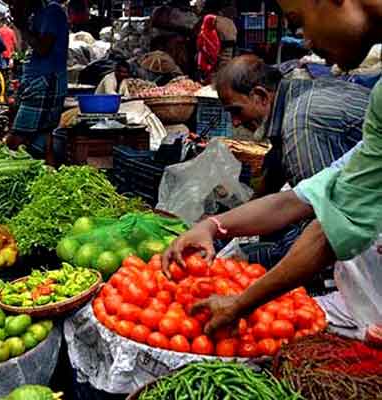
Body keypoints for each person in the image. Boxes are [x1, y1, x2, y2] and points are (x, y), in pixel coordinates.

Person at [162, 0, 382, 337]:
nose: (306, 41)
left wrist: (240, 302)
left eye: (298, 21)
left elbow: (330, 224)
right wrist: (213, 225)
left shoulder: (303, 121)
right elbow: (306, 197)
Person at [213, 55, 368, 269]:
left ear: (260, 96)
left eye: (236, 110)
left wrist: (257, 258)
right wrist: (220, 228)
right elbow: (273, 175)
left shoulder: (301, 124)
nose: (235, 122)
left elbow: (323, 219)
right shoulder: (293, 95)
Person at [5, 0, 69, 158]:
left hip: (45, 80)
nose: (14, 8)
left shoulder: (51, 12)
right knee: (43, 134)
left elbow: (42, 48)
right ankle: (49, 165)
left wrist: (21, 25)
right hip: (35, 79)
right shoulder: (38, 15)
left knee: (16, 140)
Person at [197, 14, 221, 83]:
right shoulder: (202, 33)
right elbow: (199, 46)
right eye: (213, 21)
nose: (214, 23)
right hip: (204, 59)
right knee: (204, 77)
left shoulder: (214, 32)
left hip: (214, 59)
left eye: (214, 22)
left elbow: (217, 45)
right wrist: (208, 54)